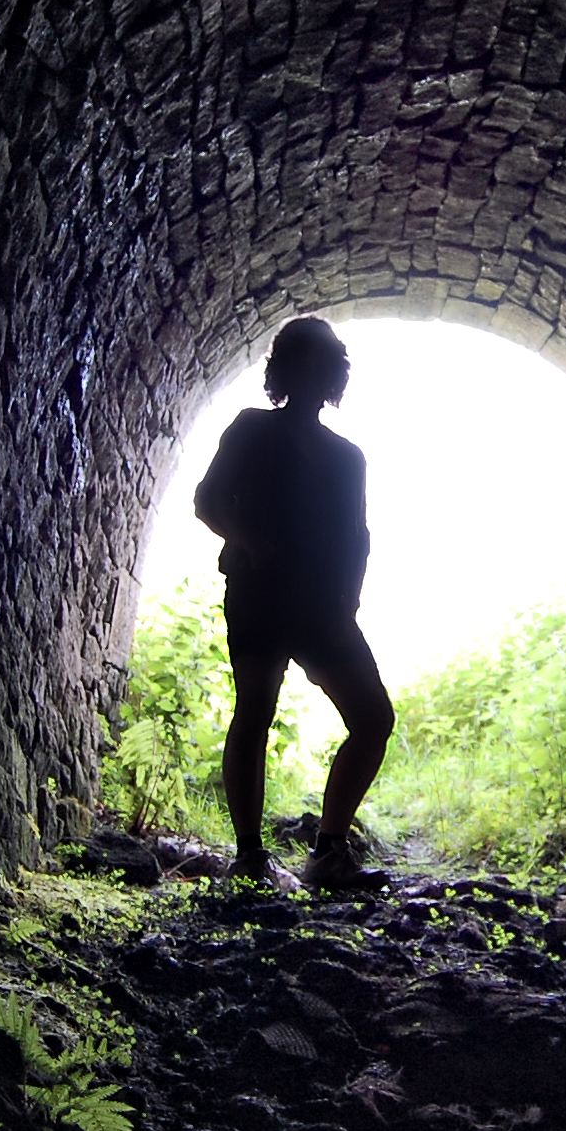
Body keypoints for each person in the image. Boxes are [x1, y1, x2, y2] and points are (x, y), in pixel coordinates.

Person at [191, 317, 395, 890]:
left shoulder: (347, 456)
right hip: (259, 594)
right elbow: (207, 501)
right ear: (284, 368)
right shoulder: (252, 429)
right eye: (304, 359)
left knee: (373, 718)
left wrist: (348, 599)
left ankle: (327, 851)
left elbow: (359, 535)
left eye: (322, 361)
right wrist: (249, 541)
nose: (314, 371)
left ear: (333, 373)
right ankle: (250, 856)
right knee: (254, 712)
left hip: (323, 608)